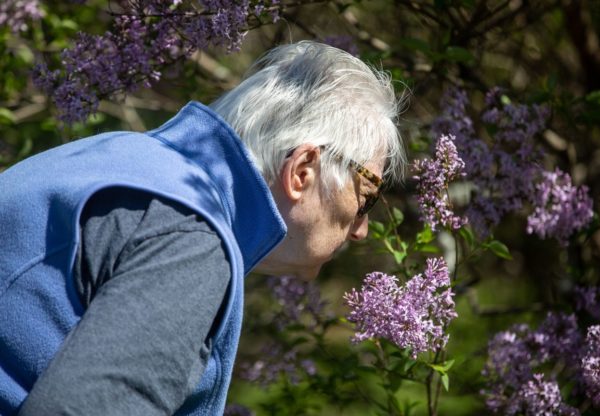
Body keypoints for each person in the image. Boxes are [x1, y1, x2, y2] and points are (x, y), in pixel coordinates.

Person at [0, 40, 406, 415]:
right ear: (302, 170)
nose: (362, 229)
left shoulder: (122, 158)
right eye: (367, 196)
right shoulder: (191, 238)